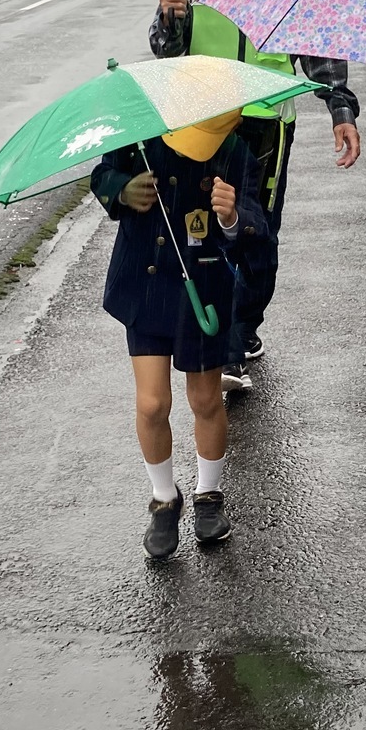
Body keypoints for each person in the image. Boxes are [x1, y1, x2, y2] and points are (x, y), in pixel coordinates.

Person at [150, 0, 361, 392]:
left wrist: (340, 109)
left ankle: (243, 332)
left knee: (255, 234)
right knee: (202, 231)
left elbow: (316, 48)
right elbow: (161, 50)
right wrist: (171, 18)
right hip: (200, 122)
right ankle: (220, 339)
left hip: (266, 126)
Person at [91, 110, 268, 560]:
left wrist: (232, 218)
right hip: (144, 287)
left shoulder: (235, 150)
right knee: (152, 403)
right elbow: (102, 174)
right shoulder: (140, 136)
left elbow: (258, 225)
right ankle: (164, 499)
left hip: (202, 293)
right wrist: (121, 190)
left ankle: (209, 496)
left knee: (206, 400)